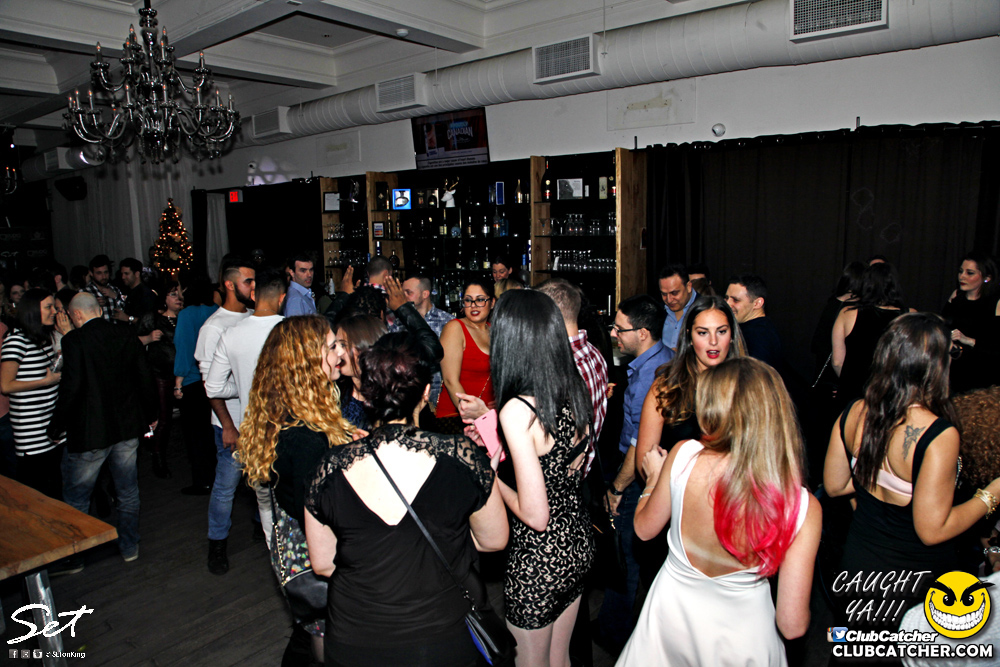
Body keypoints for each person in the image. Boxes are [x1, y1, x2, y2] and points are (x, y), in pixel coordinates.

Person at [305, 331, 508, 667]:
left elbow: (324, 563)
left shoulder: (329, 467)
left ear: (366, 393)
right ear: (426, 393)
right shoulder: (462, 457)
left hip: (355, 639)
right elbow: (494, 540)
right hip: (439, 638)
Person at [618, 357, 821, 665]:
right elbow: (792, 626)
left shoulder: (684, 455)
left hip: (670, 620)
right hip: (743, 639)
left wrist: (654, 479)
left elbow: (644, 529)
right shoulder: (801, 505)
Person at [824, 314, 1000, 633]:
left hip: (858, 567)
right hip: (912, 580)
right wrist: (992, 495)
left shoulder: (855, 411)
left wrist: (875, 478)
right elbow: (932, 530)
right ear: (935, 366)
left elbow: (835, 486)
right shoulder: (938, 434)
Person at [486, 289, 594, 667]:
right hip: (577, 541)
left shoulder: (519, 410)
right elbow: (567, 466)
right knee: (560, 659)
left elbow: (536, 515)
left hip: (540, 557)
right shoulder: (573, 386)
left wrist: (491, 476)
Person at [240, 315, 354, 664]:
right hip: (315, 549)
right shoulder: (306, 437)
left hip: (295, 539)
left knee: (317, 629)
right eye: (332, 347)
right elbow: (321, 510)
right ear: (307, 361)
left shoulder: (290, 414)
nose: (340, 353)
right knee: (328, 634)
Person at [598, 294, 672, 651]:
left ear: (643, 333)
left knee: (626, 557)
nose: (613, 334)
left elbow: (636, 445)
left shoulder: (649, 379)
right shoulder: (664, 358)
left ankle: (616, 636)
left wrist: (616, 489)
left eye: (619, 329)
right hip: (655, 476)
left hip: (639, 478)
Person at [205, 267, 286, 547]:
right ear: (282, 298)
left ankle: (274, 553)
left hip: (252, 430)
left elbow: (213, 387)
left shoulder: (231, 333)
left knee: (263, 499)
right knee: (286, 498)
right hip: (286, 429)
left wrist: (242, 387)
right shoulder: (291, 330)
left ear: (254, 295)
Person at [195, 259, 255, 574]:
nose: (254, 287)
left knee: (263, 479)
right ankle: (217, 544)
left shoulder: (254, 318)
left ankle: (262, 528)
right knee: (226, 486)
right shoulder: (214, 327)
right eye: (248, 282)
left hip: (258, 420)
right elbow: (210, 385)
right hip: (231, 424)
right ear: (230, 285)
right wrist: (228, 426)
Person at [537, 278, 608, 475]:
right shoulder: (594, 353)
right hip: (583, 472)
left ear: (548, 315)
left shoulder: (558, 365)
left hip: (560, 477)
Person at [0, 288, 64, 497]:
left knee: (56, 491)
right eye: (48, 307)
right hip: (32, 434)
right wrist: (45, 381)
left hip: (51, 428)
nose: (54, 311)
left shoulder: (42, 338)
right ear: (32, 310)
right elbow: (6, 385)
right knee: (41, 494)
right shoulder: (15, 341)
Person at [831, 262, 909, 408]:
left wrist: (849, 382)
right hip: (891, 396)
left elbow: (837, 361)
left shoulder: (848, 314)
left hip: (853, 395)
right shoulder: (907, 316)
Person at [172, 274, 219, 495]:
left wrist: (178, 382)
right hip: (214, 379)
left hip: (192, 380)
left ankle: (202, 481)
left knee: (195, 435)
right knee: (212, 432)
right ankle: (217, 477)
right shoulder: (216, 311)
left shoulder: (186, 315)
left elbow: (184, 349)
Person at [435, 281, 495, 434]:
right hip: (456, 417)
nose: (473, 305)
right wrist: (472, 415)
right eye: (468, 300)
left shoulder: (494, 330)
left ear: (492, 303)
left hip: (487, 416)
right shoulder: (455, 328)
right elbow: (450, 380)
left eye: (480, 300)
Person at [139, 280, 182, 478]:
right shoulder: (153, 318)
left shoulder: (184, 317)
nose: (178, 297)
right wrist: (148, 338)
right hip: (160, 373)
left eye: (180, 293)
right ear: (164, 298)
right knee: (164, 417)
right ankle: (158, 456)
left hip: (183, 373)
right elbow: (131, 341)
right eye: (173, 294)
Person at [942, 251, 999, 394]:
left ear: (986, 278)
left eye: (970, 273)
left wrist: (968, 340)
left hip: (981, 375)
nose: (962, 276)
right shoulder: (956, 296)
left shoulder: (995, 303)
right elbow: (942, 326)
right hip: (952, 371)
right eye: (961, 271)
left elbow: (995, 347)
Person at [402, 275, 453, 408]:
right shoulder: (400, 322)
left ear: (425, 294)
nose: (404, 297)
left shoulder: (447, 321)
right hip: (409, 394)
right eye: (403, 293)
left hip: (440, 395)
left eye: (409, 292)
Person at [334, 313, 387, 431]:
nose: (337, 352)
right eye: (334, 345)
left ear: (365, 348)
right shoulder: (334, 391)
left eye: (343, 345)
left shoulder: (389, 398)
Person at [725, 273, 784, 369]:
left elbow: (755, 375)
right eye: (727, 298)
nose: (727, 304)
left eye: (735, 300)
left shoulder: (759, 335)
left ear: (757, 303)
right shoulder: (756, 329)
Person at [657, 265, 698, 351]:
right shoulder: (658, 310)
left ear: (688, 287)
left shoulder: (705, 309)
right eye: (664, 294)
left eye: (674, 293)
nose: (669, 300)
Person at [83, 254, 125, 321]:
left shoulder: (115, 289)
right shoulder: (85, 292)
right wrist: (93, 305)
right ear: (91, 273)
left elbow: (127, 310)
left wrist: (115, 296)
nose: (104, 276)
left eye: (106, 272)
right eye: (99, 273)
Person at [118, 257, 156, 323]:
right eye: (122, 274)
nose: (123, 277)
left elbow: (149, 322)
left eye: (126, 274)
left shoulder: (146, 294)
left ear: (137, 274)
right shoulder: (126, 290)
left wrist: (128, 318)